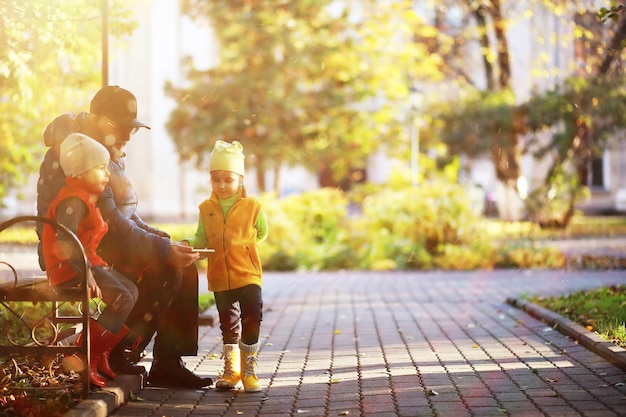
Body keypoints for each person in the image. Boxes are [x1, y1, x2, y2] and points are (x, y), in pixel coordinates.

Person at [37, 85, 212, 389]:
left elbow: (126, 214)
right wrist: (161, 250)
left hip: (103, 240)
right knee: (166, 270)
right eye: (121, 127)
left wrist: (164, 240)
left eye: (132, 128)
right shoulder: (81, 152)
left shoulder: (107, 151)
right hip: (78, 250)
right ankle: (116, 352)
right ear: (97, 118)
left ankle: (168, 362)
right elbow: (109, 223)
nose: (128, 135)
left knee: (181, 263)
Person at [42, 133, 139, 387]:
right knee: (123, 297)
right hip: (69, 268)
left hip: (86, 263)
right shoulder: (72, 199)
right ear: (81, 171)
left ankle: (99, 353)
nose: (107, 174)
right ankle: (86, 356)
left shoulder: (87, 195)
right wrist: (88, 273)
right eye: (100, 168)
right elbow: (67, 240)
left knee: (131, 291)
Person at [182, 140, 268, 393]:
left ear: (240, 178)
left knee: (252, 318)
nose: (221, 185)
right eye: (216, 179)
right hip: (220, 277)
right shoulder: (206, 208)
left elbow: (261, 232)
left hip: (248, 275)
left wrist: (244, 248)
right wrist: (188, 245)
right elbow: (202, 238)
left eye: (228, 179)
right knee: (228, 325)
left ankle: (249, 370)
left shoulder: (253, 207)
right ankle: (231, 372)